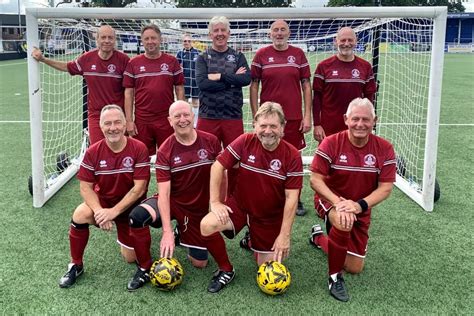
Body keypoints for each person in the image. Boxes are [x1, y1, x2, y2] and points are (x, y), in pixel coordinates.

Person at [200, 101, 303, 293]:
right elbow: (217, 166)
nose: (267, 131)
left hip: (268, 218)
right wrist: (215, 202)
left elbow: (292, 198)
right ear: (255, 125)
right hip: (239, 207)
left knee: (267, 267)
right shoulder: (245, 140)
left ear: (282, 127)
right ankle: (225, 269)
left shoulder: (292, 155)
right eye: (263, 125)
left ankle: (251, 240)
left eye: (273, 126)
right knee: (207, 225)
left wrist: (284, 235)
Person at [126, 100, 225, 291]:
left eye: (186, 115)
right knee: (137, 217)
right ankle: (144, 267)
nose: (182, 120)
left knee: (200, 263)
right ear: (169, 120)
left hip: (197, 209)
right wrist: (166, 232)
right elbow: (164, 193)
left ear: (193, 116)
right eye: (177, 116)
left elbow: (222, 174)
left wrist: (218, 202)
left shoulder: (211, 141)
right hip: (172, 201)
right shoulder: (165, 150)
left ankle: (182, 232)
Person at [308, 98, 396, 302]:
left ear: (375, 121)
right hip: (331, 200)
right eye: (355, 118)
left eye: (366, 119)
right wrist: (338, 203)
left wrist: (358, 205)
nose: (360, 124)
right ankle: (334, 278)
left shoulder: (384, 148)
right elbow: (315, 180)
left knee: (354, 267)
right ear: (346, 119)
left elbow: (386, 188)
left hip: (361, 207)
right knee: (344, 220)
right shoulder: (331, 142)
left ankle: (319, 238)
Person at [58, 104, 150, 288]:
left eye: (117, 122)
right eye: (107, 123)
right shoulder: (93, 151)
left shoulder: (139, 148)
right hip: (104, 204)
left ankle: (136, 243)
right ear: (101, 127)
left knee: (130, 258)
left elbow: (139, 189)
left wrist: (113, 213)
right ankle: (76, 264)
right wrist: (100, 211)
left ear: (125, 125)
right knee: (80, 214)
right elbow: (85, 188)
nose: (113, 127)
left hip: (130, 210)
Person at [250, 19, 312, 216]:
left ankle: (296, 198)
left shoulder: (298, 54)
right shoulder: (261, 55)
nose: (279, 33)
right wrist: (256, 116)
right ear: (270, 34)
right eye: (275, 30)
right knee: (266, 154)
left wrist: (307, 115)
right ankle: (267, 195)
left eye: (282, 30)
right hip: (268, 119)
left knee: (295, 157)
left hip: (293, 117)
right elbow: (253, 86)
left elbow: (306, 86)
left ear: (288, 33)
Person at [31, 25, 130, 145]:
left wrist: (129, 119)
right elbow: (67, 67)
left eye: (110, 37)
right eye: (103, 37)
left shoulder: (124, 60)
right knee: (97, 149)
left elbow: (130, 91)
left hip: (118, 114)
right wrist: (43, 59)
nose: (107, 41)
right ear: (97, 39)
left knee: (120, 149)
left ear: (115, 40)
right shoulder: (87, 58)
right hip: (96, 115)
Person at [195, 16, 251, 194]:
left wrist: (219, 76)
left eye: (223, 30)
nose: (219, 34)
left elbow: (246, 79)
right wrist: (232, 78)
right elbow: (203, 84)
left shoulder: (238, 56)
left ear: (229, 33)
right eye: (216, 30)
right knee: (204, 160)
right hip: (207, 116)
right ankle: (205, 197)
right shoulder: (202, 58)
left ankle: (233, 198)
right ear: (210, 34)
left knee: (235, 161)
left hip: (232, 116)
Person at [123, 24, 185, 156]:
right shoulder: (133, 63)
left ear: (160, 39)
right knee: (142, 159)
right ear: (142, 41)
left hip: (166, 119)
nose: (150, 42)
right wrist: (128, 120)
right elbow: (128, 93)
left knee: (170, 157)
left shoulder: (171, 61)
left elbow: (179, 88)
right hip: (142, 121)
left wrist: (181, 116)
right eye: (146, 39)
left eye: (153, 38)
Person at [312, 27, 377, 143]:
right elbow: (316, 98)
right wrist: (317, 124)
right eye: (343, 40)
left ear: (356, 41)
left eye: (350, 40)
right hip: (329, 127)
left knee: (355, 158)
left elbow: (369, 99)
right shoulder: (323, 66)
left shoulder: (365, 67)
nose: (346, 44)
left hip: (356, 126)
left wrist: (369, 121)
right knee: (328, 159)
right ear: (335, 41)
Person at [176, 34, 201, 126]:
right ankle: (186, 121)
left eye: (188, 41)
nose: (186, 43)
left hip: (195, 81)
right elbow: (176, 67)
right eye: (185, 41)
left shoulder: (197, 53)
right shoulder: (180, 54)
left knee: (195, 102)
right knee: (184, 102)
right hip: (184, 81)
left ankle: (195, 123)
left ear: (192, 42)